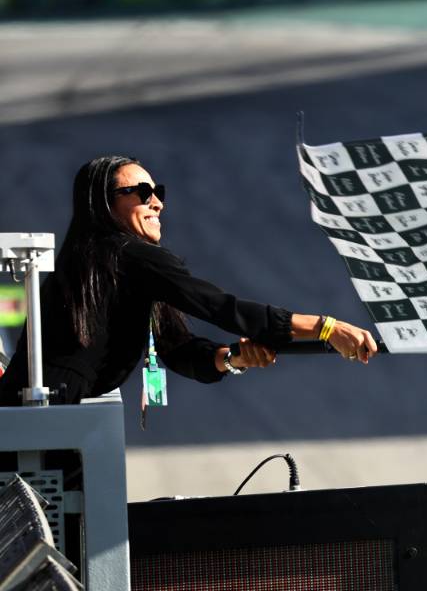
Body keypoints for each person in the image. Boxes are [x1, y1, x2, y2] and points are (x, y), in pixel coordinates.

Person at [0, 155, 378, 407]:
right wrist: (324, 327)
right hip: (40, 422)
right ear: (103, 204)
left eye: (158, 192)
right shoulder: (121, 254)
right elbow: (218, 306)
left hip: (48, 421)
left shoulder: (119, 266)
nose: (157, 202)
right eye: (142, 193)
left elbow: (179, 351)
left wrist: (235, 358)